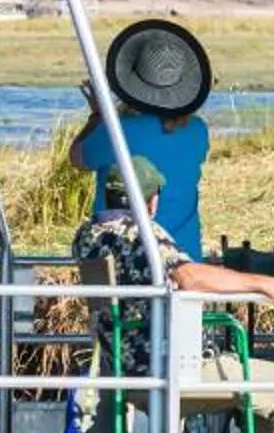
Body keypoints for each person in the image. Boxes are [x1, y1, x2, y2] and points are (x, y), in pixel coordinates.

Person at [68, 158, 274, 433]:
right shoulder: (143, 233)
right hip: (173, 368)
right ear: (152, 201)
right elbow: (188, 276)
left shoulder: (88, 236)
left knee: (262, 399)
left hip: (126, 369)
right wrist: (263, 283)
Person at [68, 22, 215, 257]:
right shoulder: (198, 130)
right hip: (186, 256)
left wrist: (99, 116)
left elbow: (77, 157)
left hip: (127, 257)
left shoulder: (118, 130)